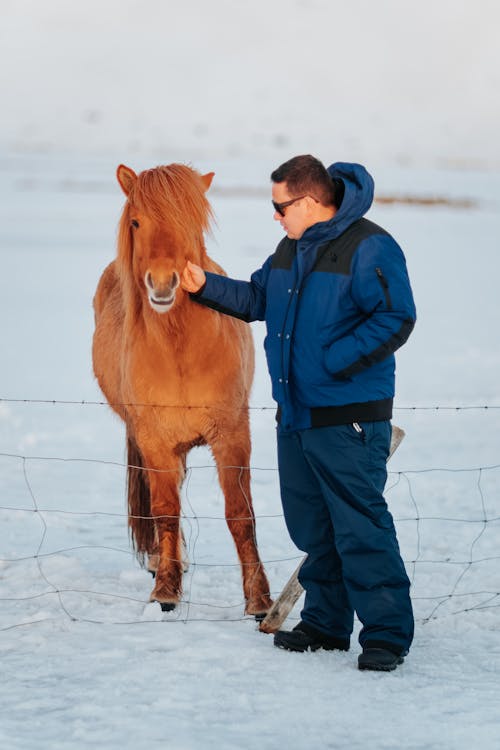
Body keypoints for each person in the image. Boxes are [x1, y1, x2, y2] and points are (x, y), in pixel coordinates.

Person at [181, 155, 416, 672]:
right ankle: (326, 625)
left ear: (309, 201)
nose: (275, 215)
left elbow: (396, 316)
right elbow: (259, 297)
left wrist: (334, 363)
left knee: (361, 527)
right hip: (297, 413)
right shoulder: (291, 247)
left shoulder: (368, 245)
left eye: (279, 205)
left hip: (348, 416)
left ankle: (386, 635)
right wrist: (204, 288)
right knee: (313, 527)